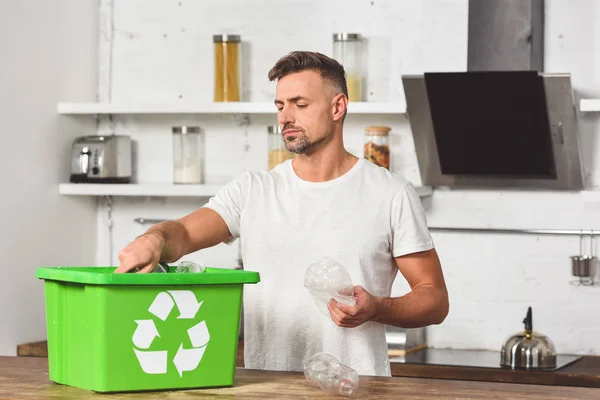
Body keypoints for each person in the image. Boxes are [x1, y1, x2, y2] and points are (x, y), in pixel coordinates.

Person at [116, 51, 449, 377]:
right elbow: (184, 234)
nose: (285, 117)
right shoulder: (252, 190)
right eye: (280, 105)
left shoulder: (391, 194)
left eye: (300, 104)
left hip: (356, 389)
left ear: (338, 107)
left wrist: (378, 308)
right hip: (269, 387)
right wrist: (155, 237)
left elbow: (433, 298)